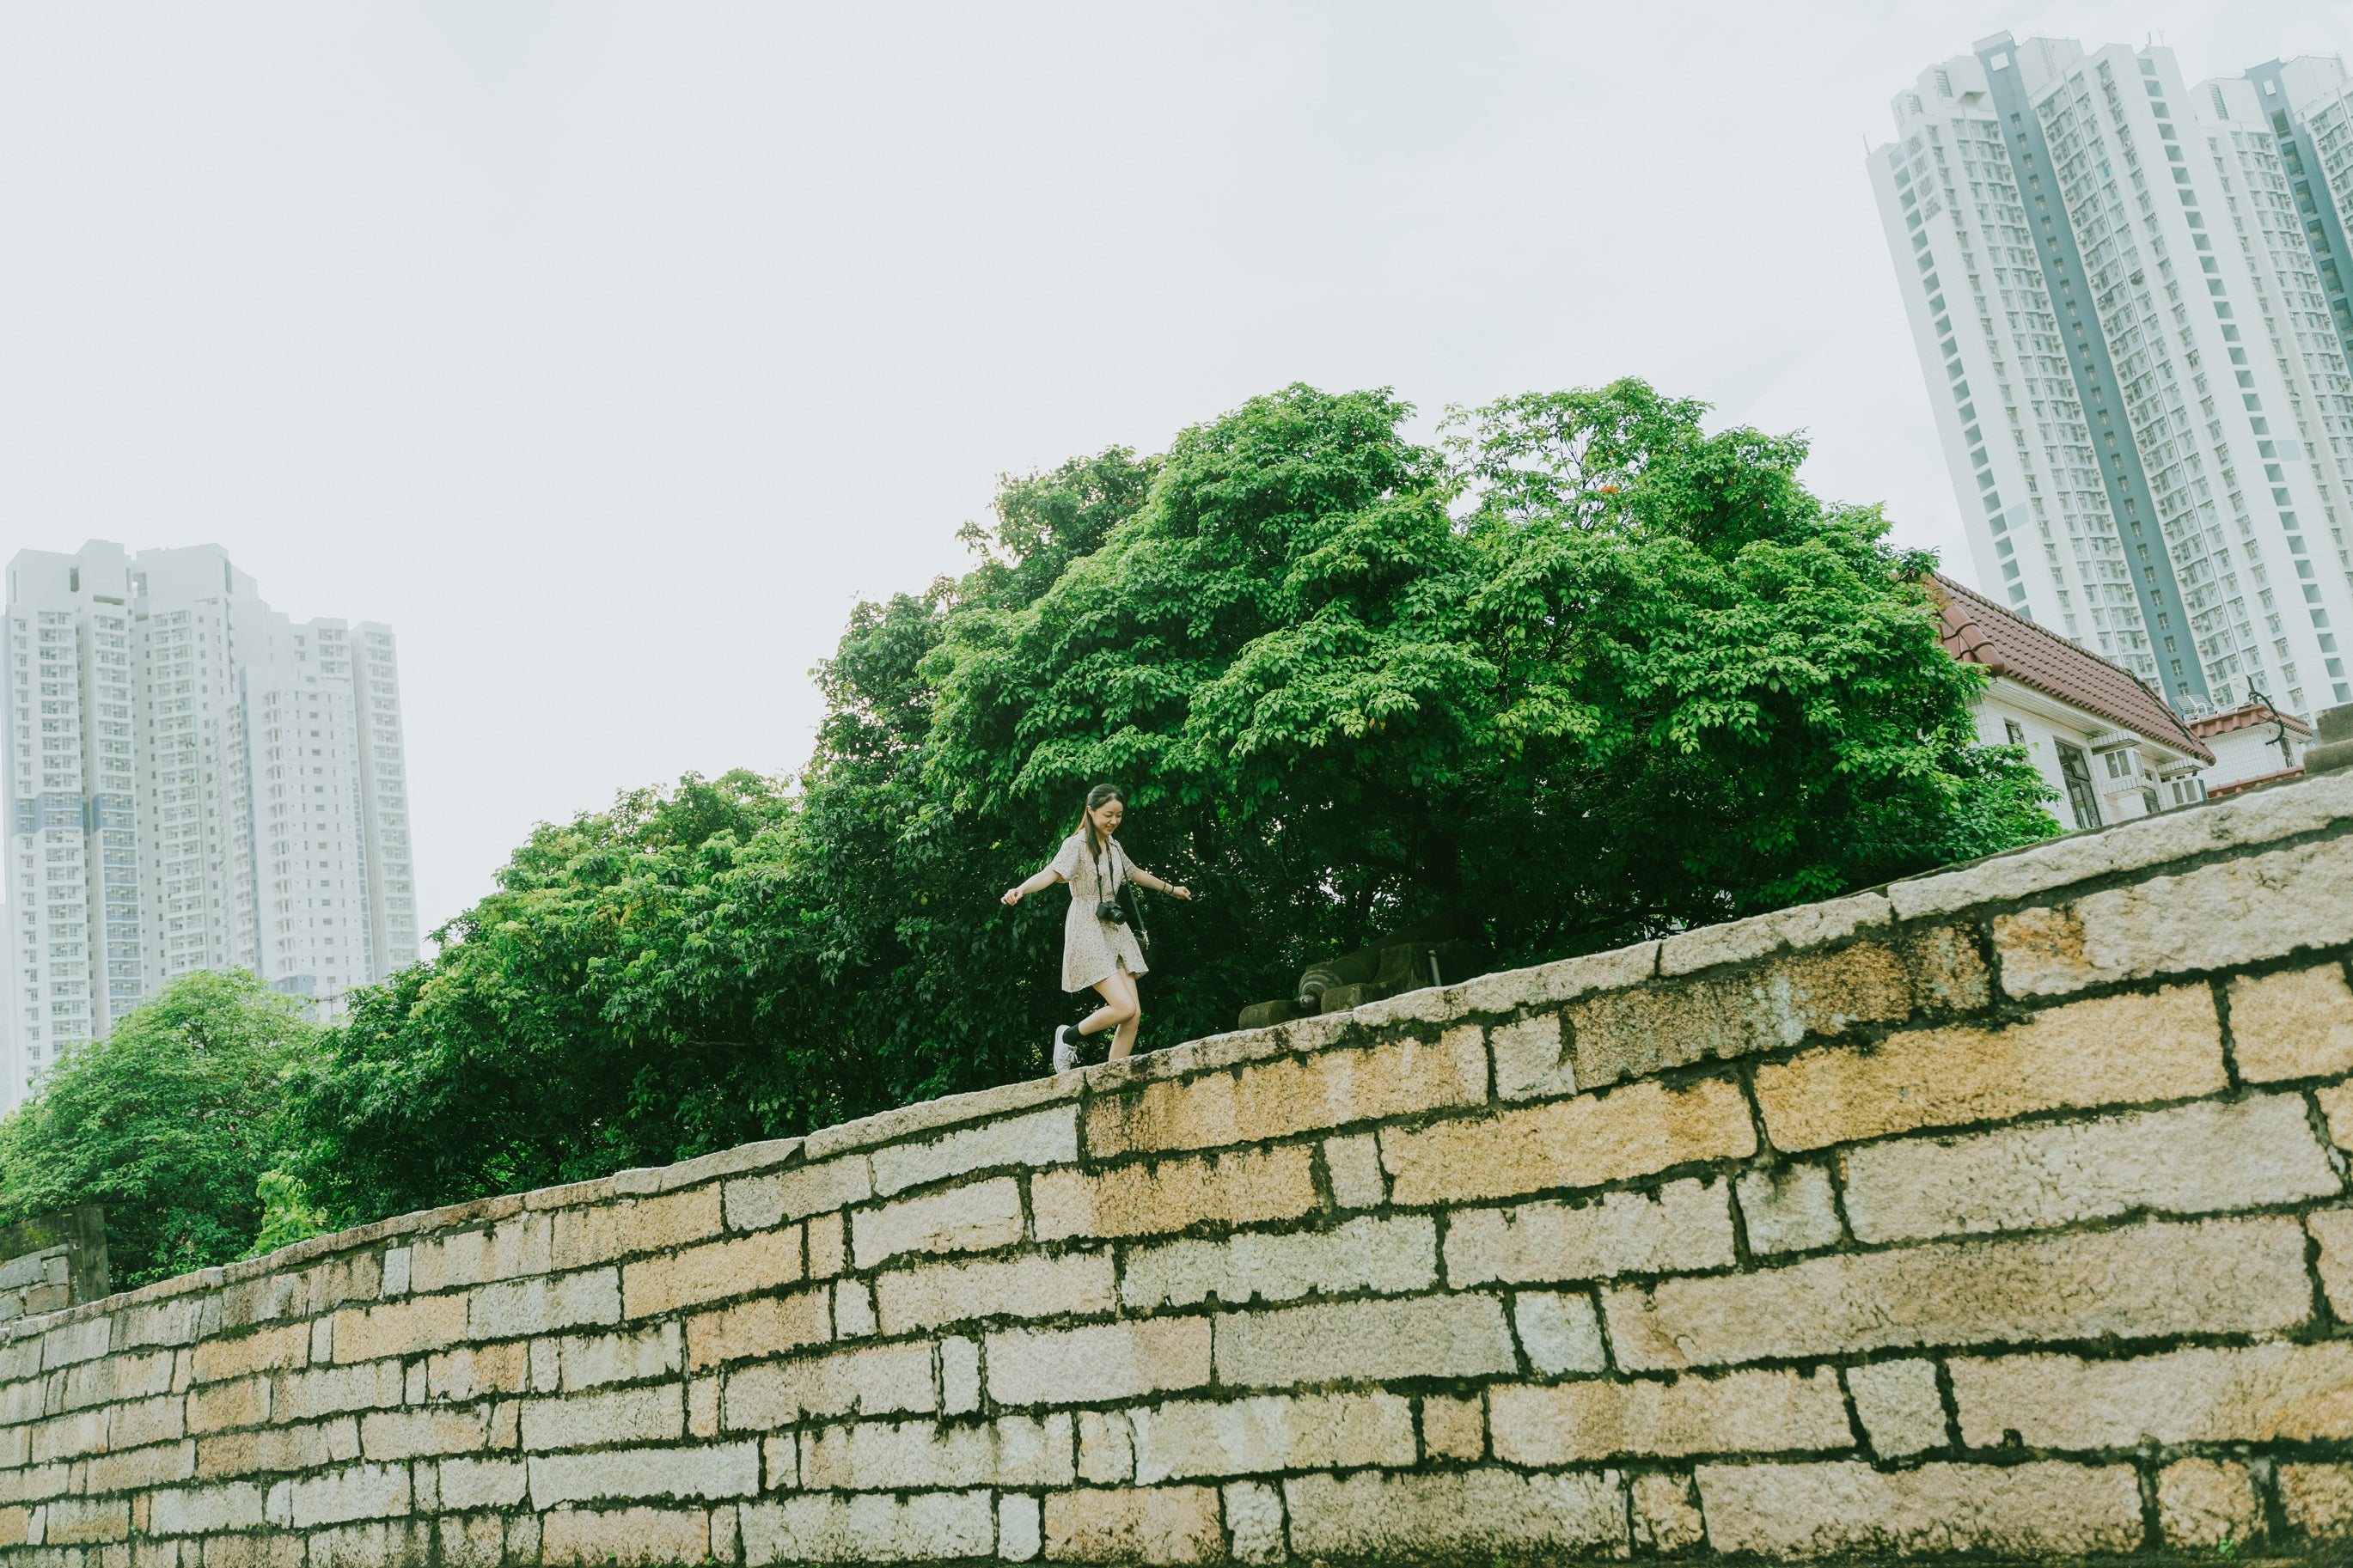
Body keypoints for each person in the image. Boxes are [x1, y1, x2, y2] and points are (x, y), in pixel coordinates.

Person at [1002, 783, 1191, 1071]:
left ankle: (1114, 1078)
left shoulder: (1114, 846)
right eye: (1108, 815)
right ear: (1091, 811)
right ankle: (1068, 1036)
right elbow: (1050, 873)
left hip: (1115, 928)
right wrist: (1021, 889)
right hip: (1087, 926)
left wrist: (1172, 889)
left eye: (1119, 815)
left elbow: (1135, 873)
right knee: (1124, 1007)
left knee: (1133, 1014)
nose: (1114, 821)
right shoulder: (1075, 845)